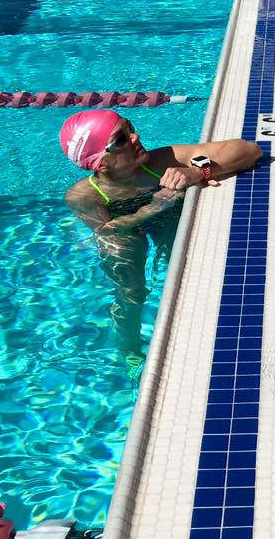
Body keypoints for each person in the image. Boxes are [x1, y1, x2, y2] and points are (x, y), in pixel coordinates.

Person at [61, 109, 262, 358]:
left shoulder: (163, 160)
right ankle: (130, 352)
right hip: (124, 230)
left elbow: (250, 150)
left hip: (165, 217)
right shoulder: (83, 195)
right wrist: (152, 208)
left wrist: (198, 171)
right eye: (122, 139)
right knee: (130, 292)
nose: (135, 137)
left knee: (187, 272)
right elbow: (106, 230)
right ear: (101, 163)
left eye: (130, 127)